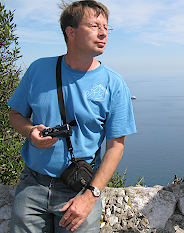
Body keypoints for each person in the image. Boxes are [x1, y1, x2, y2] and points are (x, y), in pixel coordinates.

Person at [8, 0, 136, 232]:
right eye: (95, 25)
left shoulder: (113, 84)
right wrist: (30, 132)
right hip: (32, 186)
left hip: (79, 189)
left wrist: (91, 196)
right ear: (71, 32)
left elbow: (116, 146)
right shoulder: (38, 69)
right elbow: (15, 114)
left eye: (106, 27)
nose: (103, 33)